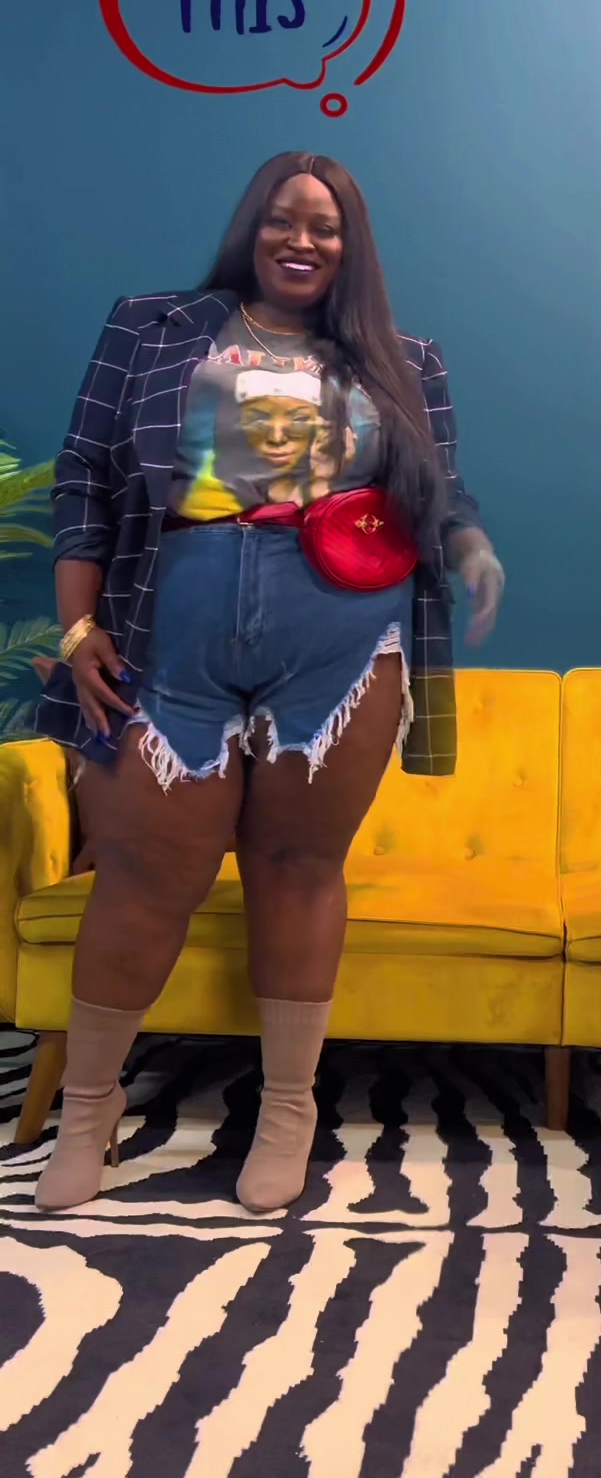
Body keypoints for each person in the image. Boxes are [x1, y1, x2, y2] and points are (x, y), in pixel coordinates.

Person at [35, 151, 504, 1214]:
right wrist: (79, 626)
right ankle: (89, 1109)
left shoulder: (404, 360)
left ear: (351, 245)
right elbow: (85, 475)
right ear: (252, 226)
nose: (303, 240)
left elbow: (442, 488)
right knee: (142, 880)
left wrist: (470, 544)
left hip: (341, 642)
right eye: (283, 220)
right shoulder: (151, 328)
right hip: (168, 638)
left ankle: (288, 1110)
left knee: (299, 868)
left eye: (325, 227)